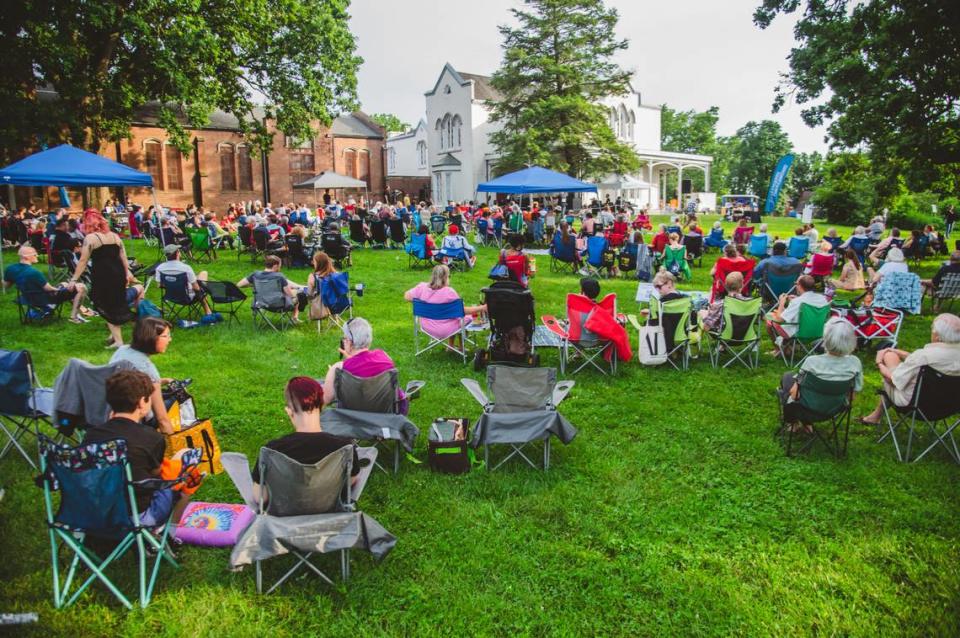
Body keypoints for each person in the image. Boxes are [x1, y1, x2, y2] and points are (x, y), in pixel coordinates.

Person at [83, 370, 194, 527]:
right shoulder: (151, 437)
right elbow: (156, 475)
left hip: (94, 513)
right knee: (186, 458)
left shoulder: (91, 435)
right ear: (143, 402)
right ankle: (168, 531)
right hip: (137, 516)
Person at [251, 377, 361, 501]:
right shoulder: (344, 447)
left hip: (284, 516)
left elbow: (260, 497)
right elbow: (351, 479)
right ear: (321, 406)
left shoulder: (272, 450)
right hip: (330, 512)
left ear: (289, 411)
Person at [860, 313, 960, 424]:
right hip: (951, 407)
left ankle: (875, 417)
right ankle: (875, 416)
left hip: (916, 406)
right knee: (892, 356)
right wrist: (897, 352)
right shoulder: (926, 357)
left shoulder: (923, 356)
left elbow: (893, 380)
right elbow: (929, 361)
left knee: (889, 362)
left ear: (937, 335)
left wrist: (879, 362)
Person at [69, 209, 143, 348]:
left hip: (103, 275)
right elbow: (123, 258)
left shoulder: (90, 238)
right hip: (118, 273)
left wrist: (74, 279)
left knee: (103, 305)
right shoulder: (115, 236)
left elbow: (83, 261)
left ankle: (119, 340)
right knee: (116, 303)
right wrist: (127, 273)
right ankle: (120, 336)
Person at [778, 318, 863, 430]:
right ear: (852, 340)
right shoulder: (855, 363)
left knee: (788, 377)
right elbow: (852, 396)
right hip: (834, 410)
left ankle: (794, 422)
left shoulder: (812, 362)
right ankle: (806, 424)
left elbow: (794, 395)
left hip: (806, 409)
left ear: (825, 339)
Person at [321, 317, 407, 413]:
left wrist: (330, 375)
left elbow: (326, 399)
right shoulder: (385, 358)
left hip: (351, 420)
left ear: (349, 342)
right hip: (383, 418)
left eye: (344, 338)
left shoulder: (339, 369)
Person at [109, 317, 177, 435]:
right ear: (151, 338)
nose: (169, 340)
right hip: (135, 418)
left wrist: (161, 381)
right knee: (176, 397)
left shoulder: (122, 350)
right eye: (166, 336)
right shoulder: (147, 369)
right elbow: (162, 419)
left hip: (110, 406)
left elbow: (127, 382)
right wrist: (175, 445)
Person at [3, 244, 89, 323]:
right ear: (26, 257)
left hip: (27, 297)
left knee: (64, 283)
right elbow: (48, 288)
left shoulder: (11, 269)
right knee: (81, 287)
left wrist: (64, 286)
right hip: (43, 299)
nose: (37, 256)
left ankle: (80, 310)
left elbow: (6, 285)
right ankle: (74, 317)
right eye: (34, 254)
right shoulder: (34, 272)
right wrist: (60, 289)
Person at [404, 264, 486, 340]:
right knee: (462, 317)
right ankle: (461, 348)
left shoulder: (422, 287)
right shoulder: (449, 292)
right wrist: (482, 308)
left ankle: (451, 346)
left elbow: (406, 296)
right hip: (444, 329)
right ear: (445, 277)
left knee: (453, 316)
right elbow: (462, 311)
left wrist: (424, 303)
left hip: (426, 326)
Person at [765, 275, 829, 356]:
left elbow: (780, 319)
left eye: (796, 284)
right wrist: (796, 300)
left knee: (769, 317)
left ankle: (777, 349)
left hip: (799, 333)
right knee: (790, 319)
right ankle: (789, 348)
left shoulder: (798, 302)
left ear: (799, 286)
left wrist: (781, 303)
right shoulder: (823, 299)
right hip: (818, 333)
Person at [237, 255, 307, 322]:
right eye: (280, 266)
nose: (280, 267)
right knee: (299, 294)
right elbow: (290, 294)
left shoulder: (255, 274)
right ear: (275, 266)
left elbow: (239, 284)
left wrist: (254, 285)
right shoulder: (279, 277)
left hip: (261, 303)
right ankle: (294, 318)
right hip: (278, 305)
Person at [155, 245, 212, 314]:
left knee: (198, 277)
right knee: (203, 274)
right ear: (178, 253)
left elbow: (159, 285)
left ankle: (208, 310)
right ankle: (207, 309)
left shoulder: (160, 268)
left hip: (170, 296)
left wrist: (172, 284)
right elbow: (196, 288)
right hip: (187, 297)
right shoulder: (185, 268)